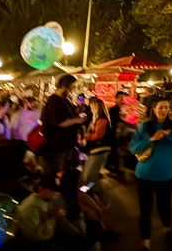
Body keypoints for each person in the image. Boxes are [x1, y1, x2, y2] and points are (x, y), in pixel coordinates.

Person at [129, 98, 172, 250]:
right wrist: (152, 138)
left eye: (166, 107)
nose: (163, 110)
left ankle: (167, 229)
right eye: (160, 107)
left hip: (165, 176)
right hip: (144, 176)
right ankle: (145, 239)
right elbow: (134, 148)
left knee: (164, 206)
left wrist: (166, 134)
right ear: (154, 109)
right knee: (145, 208)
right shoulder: (146, 126)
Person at [40, 74, 84, 215]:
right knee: (53, 178)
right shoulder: (54, 102)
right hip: (56, 148)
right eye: (70, 87)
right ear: (64, 86)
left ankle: (65, 205)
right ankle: (55, 207)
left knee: (64, 179)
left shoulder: (62, 101)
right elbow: (59, 121)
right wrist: (76, 120)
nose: (71, 90)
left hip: (63, 147)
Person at [16, 176, 91, 250]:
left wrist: (77, 233)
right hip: (35, 242)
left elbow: (58, 219)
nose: (54, 193)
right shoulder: (31, 206)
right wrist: (54, 219)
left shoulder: (47, 200)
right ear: (41, 188)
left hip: (48, 232)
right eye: (51, 190)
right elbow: (33, 234)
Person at [82, 96, 113, 185]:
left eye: (92, 106)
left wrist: (87, 136)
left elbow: (98, 135)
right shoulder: (96, 119)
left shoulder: (102, 120)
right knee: (90, 175)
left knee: (88, 175)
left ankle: (90, 192)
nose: (91, 109)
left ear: (97, 107)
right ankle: (90, 192)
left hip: (99, 150)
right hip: (95, 150)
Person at [106, 91, 125, 173]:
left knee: (117, 151)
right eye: (120, 98)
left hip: (118, 134)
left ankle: (114, 167)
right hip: (113, 134)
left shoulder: (122, 109)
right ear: (116, 99)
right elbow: (114, 122)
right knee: (114, 151)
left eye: (123, 98)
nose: (122, 100)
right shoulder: (113, 109)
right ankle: (112, 168)